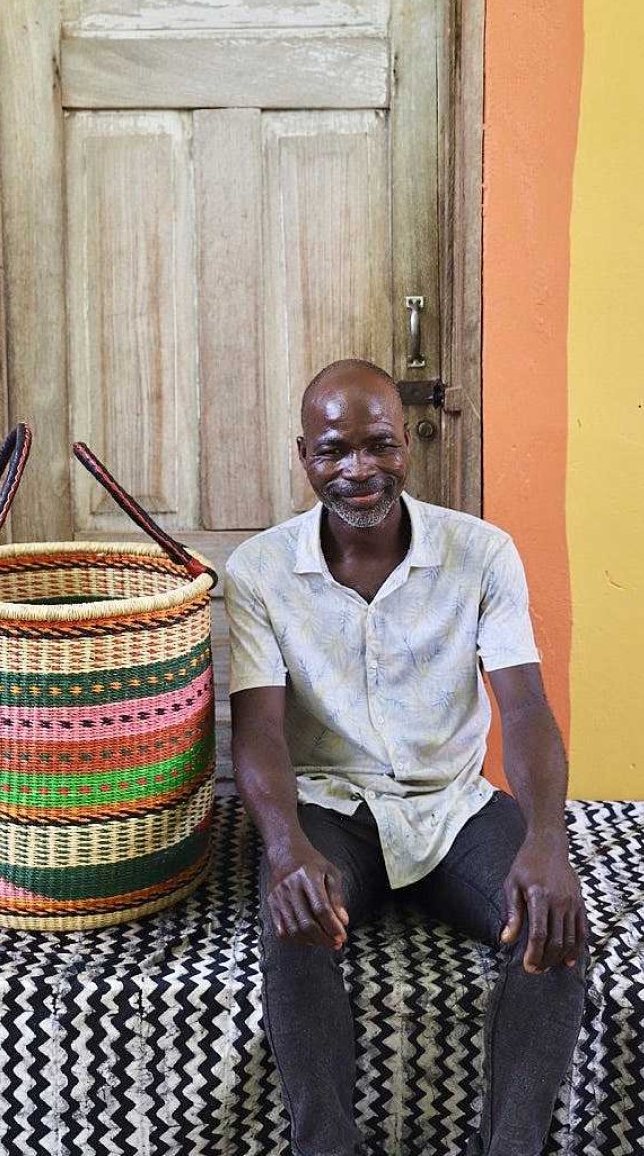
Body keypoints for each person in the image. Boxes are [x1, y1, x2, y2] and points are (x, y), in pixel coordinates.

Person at [225, 358, 588, 1156]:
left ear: (406, 445)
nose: (357, 470)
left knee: (554, 924)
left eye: (378, 445)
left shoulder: (482, 553)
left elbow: (523, 707)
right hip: (330, 807)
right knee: (293, 923)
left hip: (451, 804)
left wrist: (544, 843)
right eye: (332, 450)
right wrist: (286, 847)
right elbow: (255, 727)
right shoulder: (256, 571)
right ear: (303, 455)